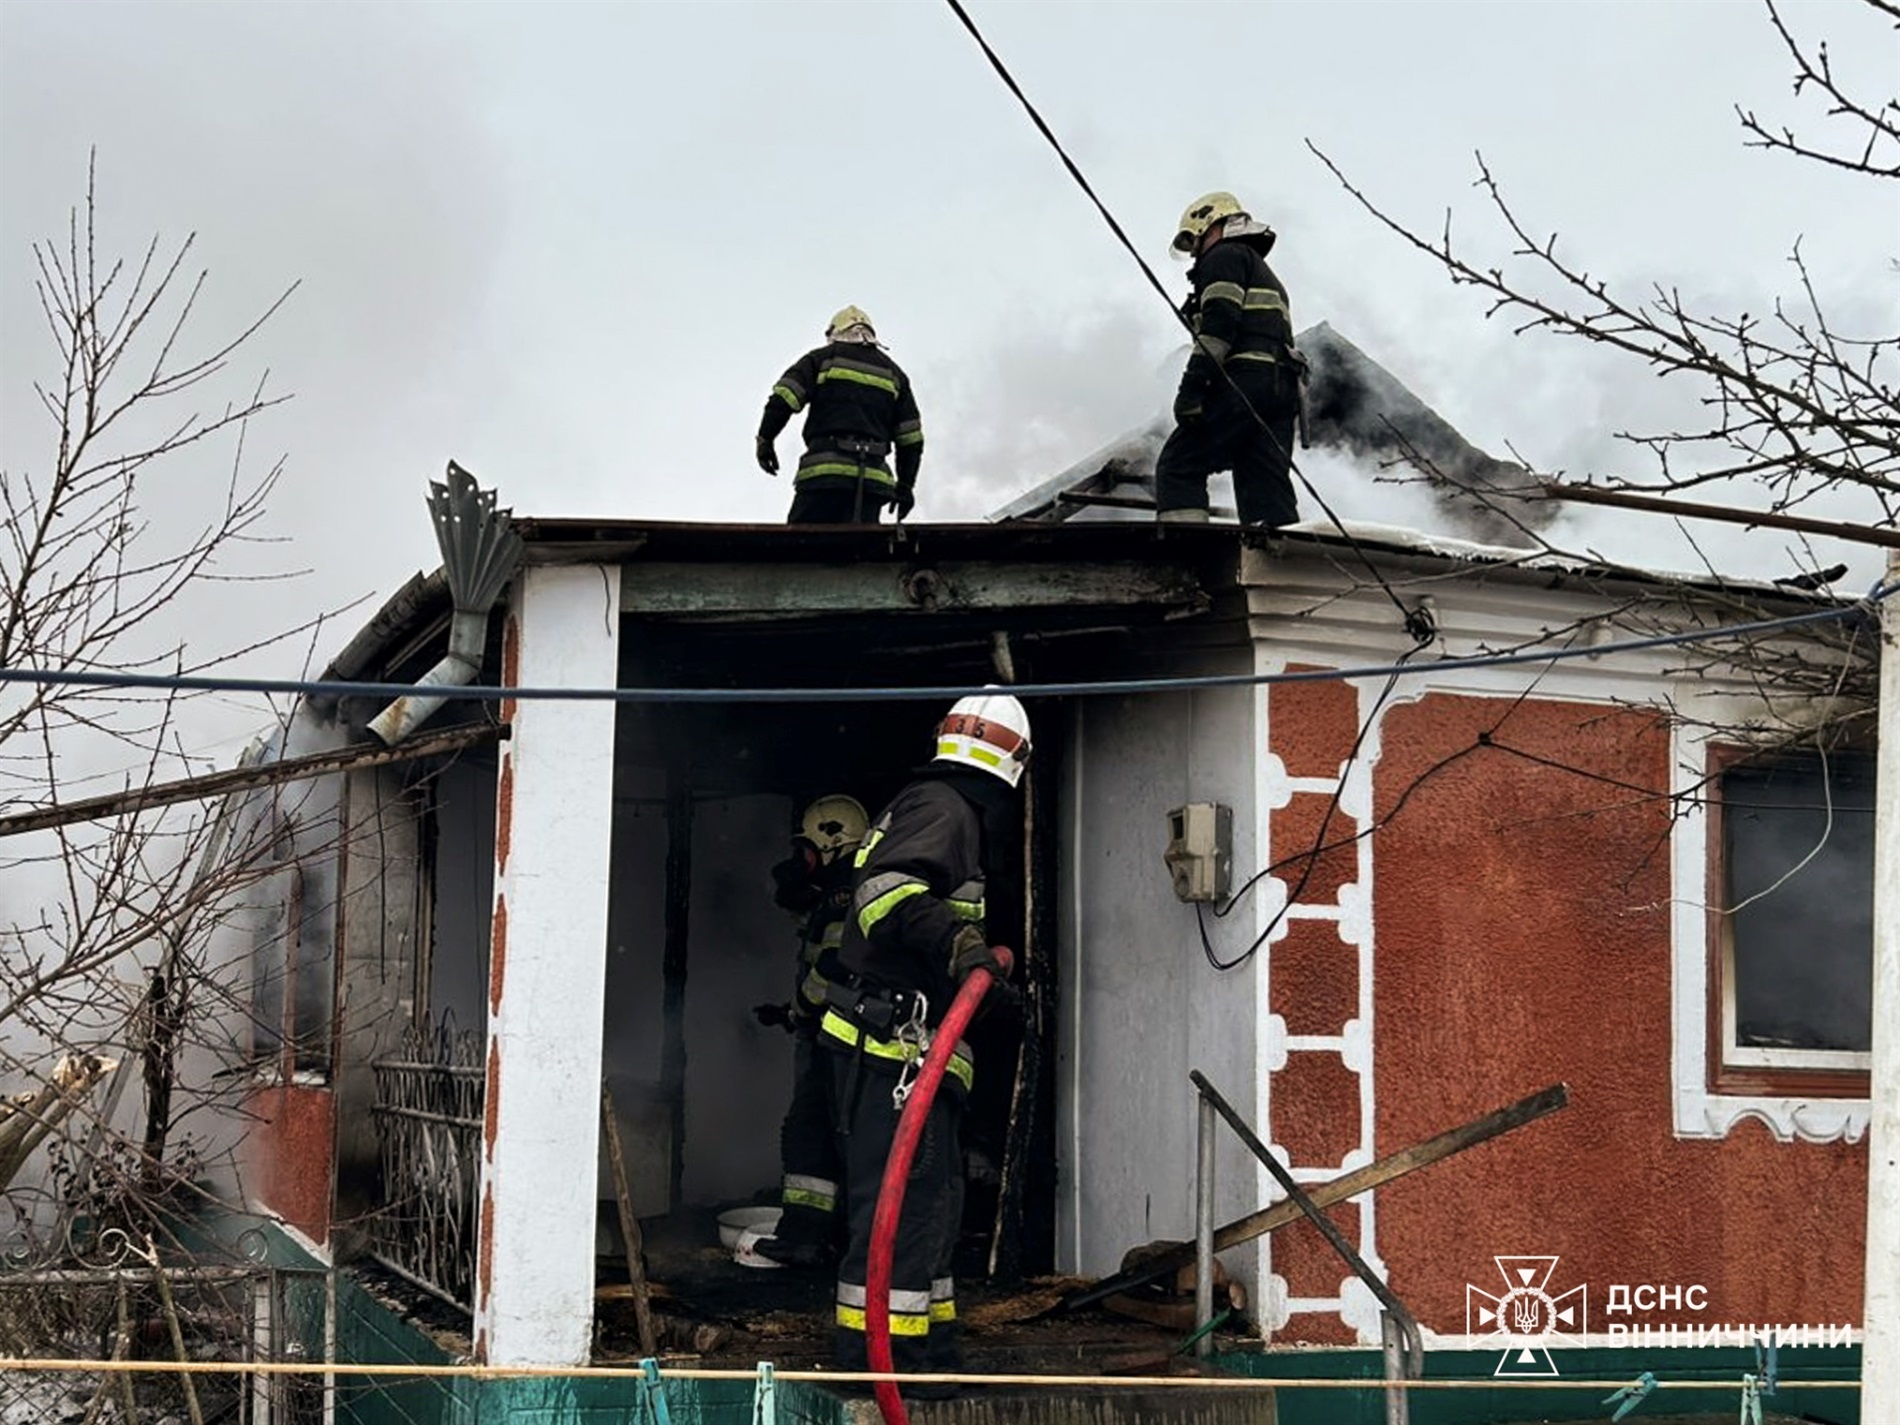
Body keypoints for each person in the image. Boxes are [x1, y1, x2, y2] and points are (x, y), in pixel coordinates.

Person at [819, 691, 1031, 1385]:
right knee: (904, 1210)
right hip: (895, 1050)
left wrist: (987, 990)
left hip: (905, 1046)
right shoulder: (945, 808)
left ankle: (929, 1354)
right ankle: (885, 1365)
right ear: (1014, 761)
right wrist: (963, 943)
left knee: (930, 1208)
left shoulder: (930, 802)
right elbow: (885, 896)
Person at [749, 794, 869, 1269]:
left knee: (808, 1133)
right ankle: (832, 1237)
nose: (803, 861)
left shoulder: (841, 899)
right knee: (835, 1135)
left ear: (832, 844)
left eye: (808, 850)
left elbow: (830, 972)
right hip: (845, 1040)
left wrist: (799, 1010)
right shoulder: (849, 891)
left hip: (836, 1041)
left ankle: (804, 1238)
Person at [1153, 191, 1305, 529]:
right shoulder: (1263, 270)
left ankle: (1185, 558)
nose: (1195, 253)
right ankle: (1279, 571)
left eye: (1195, 241)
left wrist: (1191, 391)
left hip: (1245, 379)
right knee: (1263, 483)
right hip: (1281, 389)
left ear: (1212, 225)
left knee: (1179, 464)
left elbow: (1219, 329)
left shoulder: (1223, 256)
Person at [756, 306, 925, 525]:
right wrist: (905, 487)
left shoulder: (821, 359)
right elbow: (911, 439)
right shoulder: (895, 375)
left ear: (835, 333)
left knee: (799, 550)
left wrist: (765, 439)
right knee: (860, 553)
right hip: (872, 483)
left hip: (824, 476)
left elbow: (783, 398)